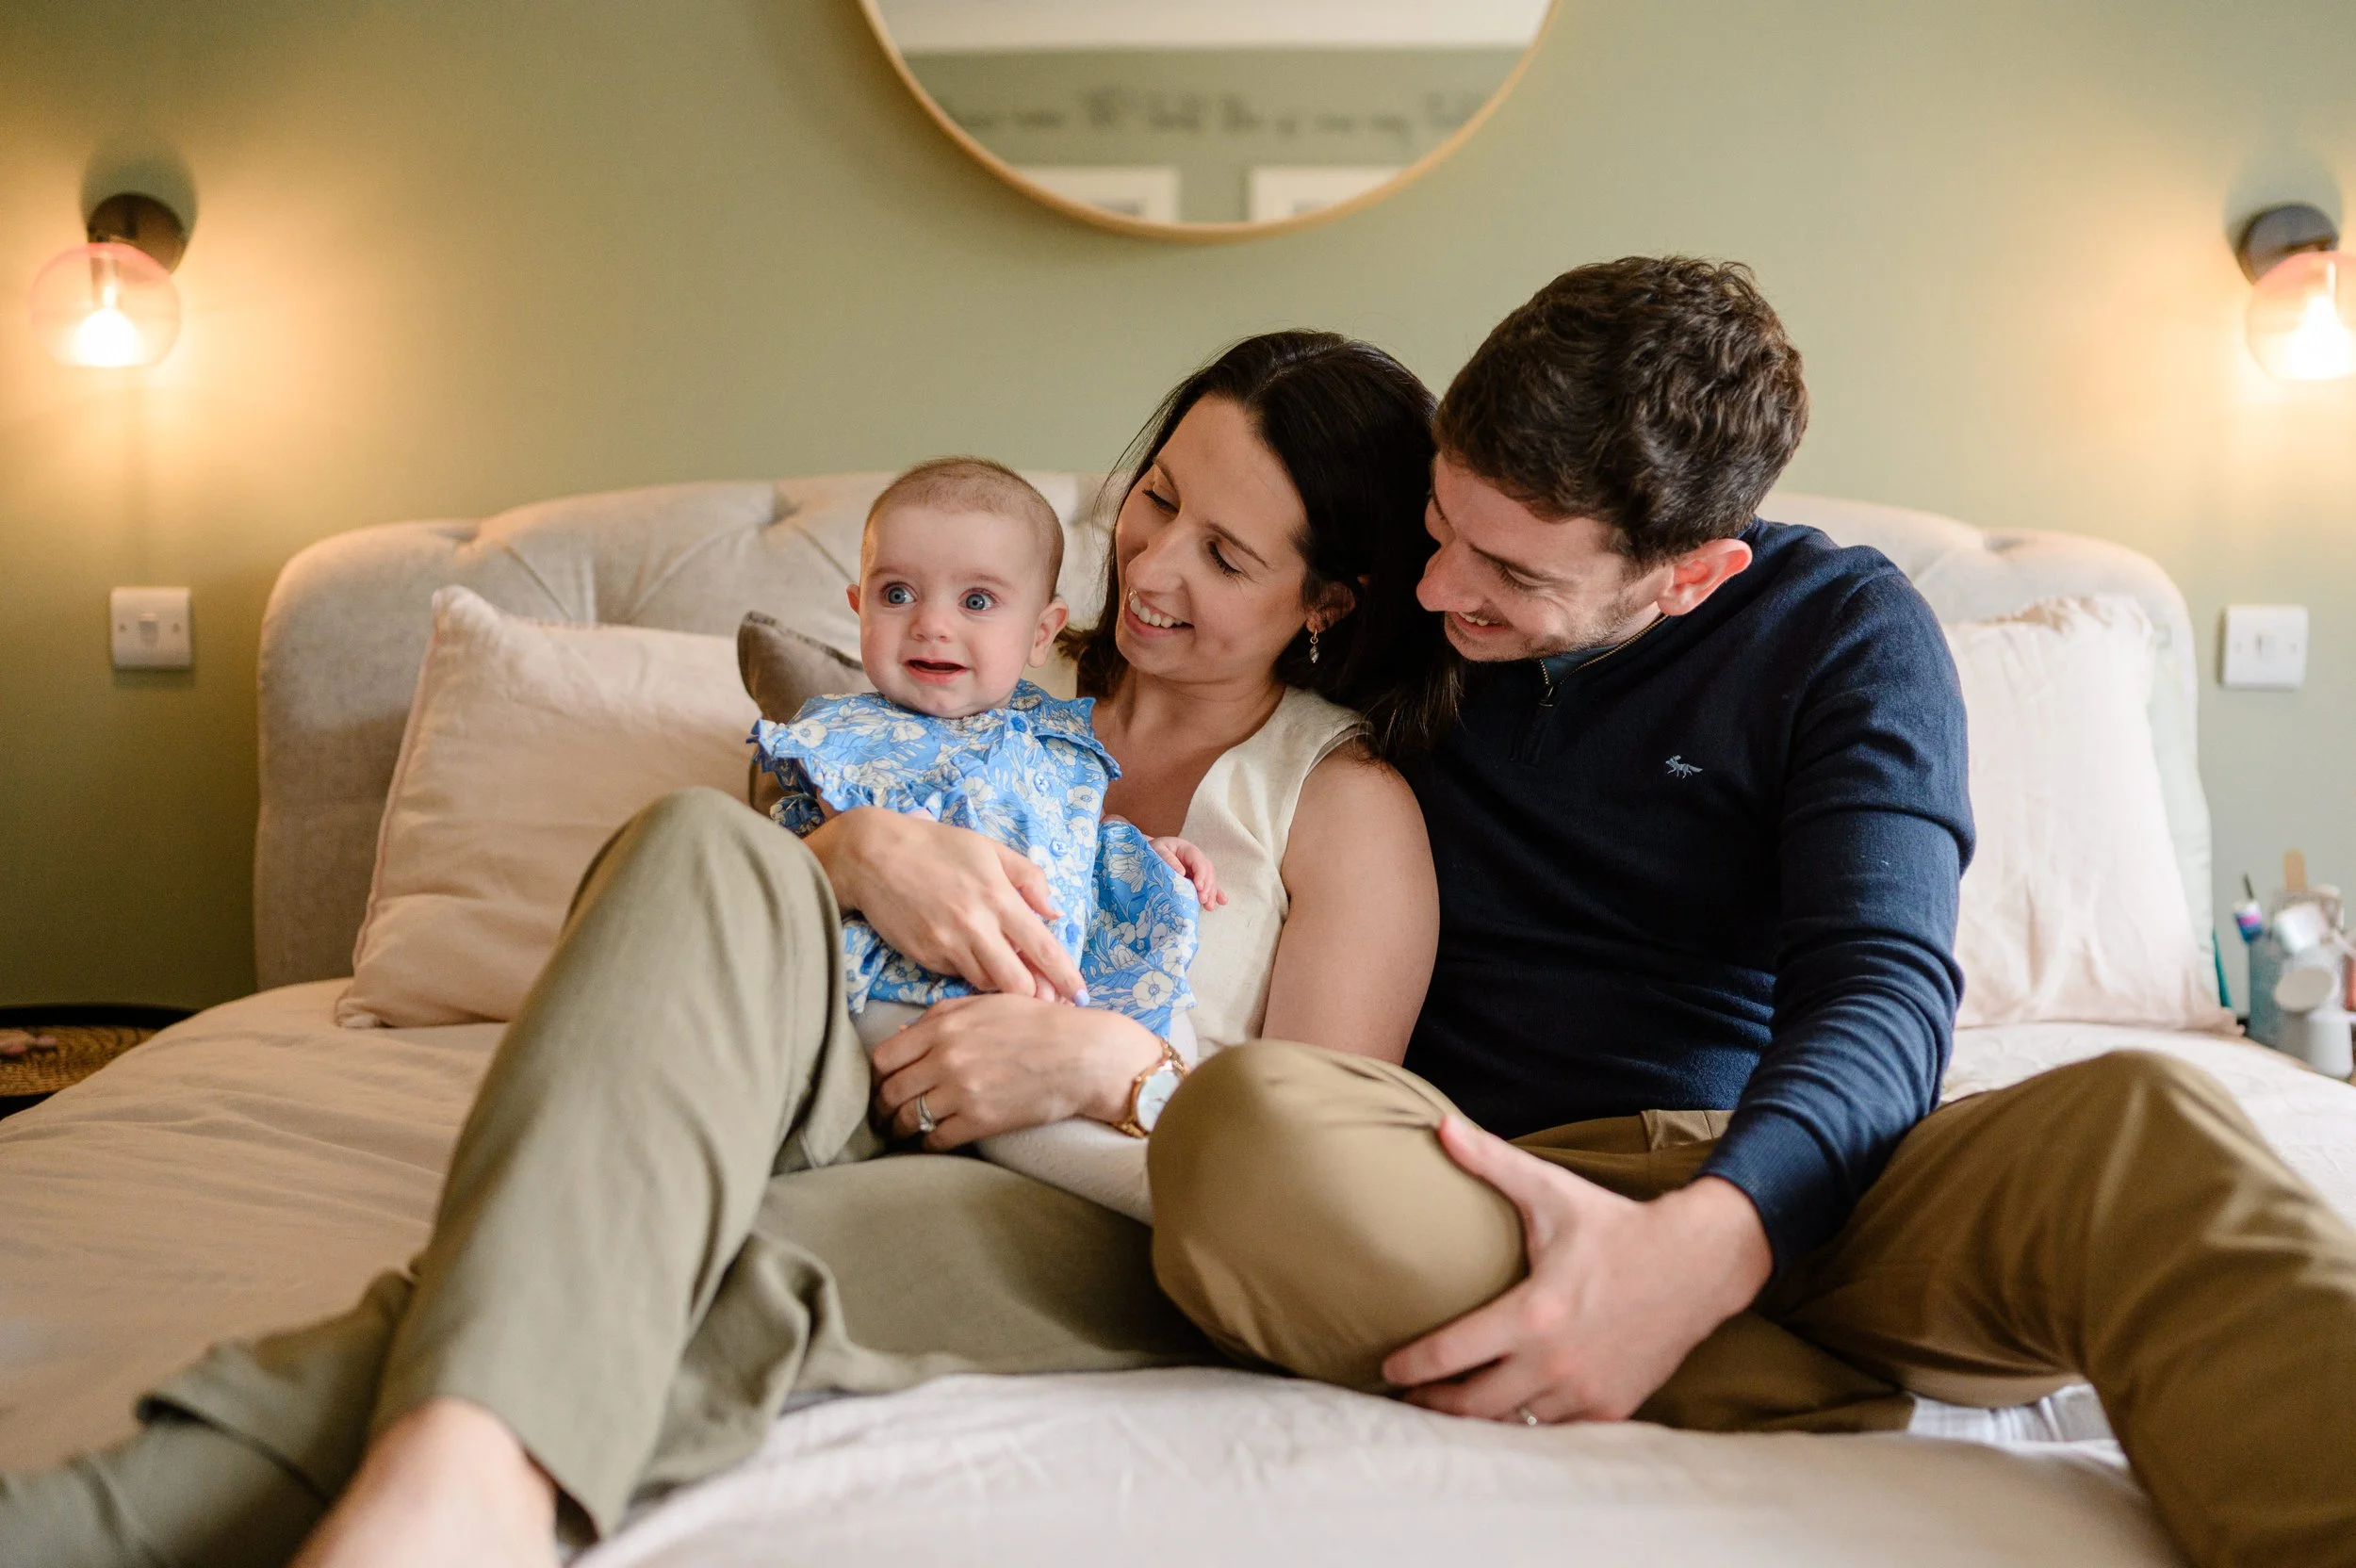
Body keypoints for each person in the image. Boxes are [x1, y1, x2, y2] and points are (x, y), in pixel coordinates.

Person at [0, 330, 1454, 1567]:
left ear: (1325, 602)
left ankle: (185, 1514)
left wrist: (1112, 1062)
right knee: (698, 843)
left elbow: (1315, 1186)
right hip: (814, 1081)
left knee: (657, 1271)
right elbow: (693, 951)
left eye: (1227, 552)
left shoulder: (1343, 807)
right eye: (1154, 500)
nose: (1154, 563)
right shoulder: (980, 680)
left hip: (1078, 1211)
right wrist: (850, 852)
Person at [1145, 258, 2356, 1568]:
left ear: (1694, 574)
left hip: (1801, 1185)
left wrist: (1710, 1246)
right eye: (1443, 528)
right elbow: (1139, 697)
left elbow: (1882, 992)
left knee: (2147, 1124)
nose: (1440, 593)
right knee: (1245, 1128)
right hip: (1475, 1182)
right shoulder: (1398, 594)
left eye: (1513, 575)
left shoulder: (1843, 634)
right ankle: (1783, 1387)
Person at [755, 453, 1219, 1215]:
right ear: (858, 608)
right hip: (907, 995)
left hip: (1053, 991)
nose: (931, 623)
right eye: (897, 593)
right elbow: (777, 869)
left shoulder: (1056, 744)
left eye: (977, 600)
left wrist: (1144, 856)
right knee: (1013, 1102)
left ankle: (1192, 1139)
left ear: (1042, 631)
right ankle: (1158, 1194)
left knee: (1172, 1000)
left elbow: (1073, 849)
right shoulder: (844, 736)